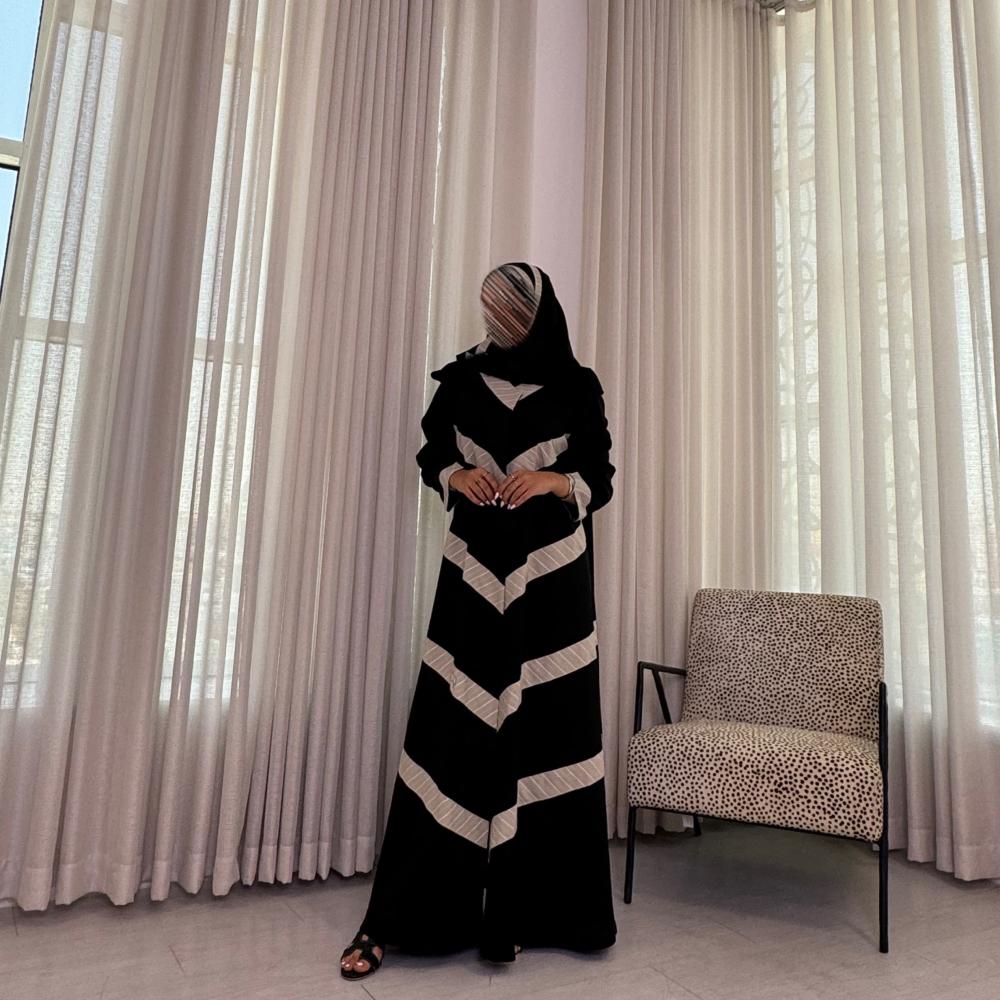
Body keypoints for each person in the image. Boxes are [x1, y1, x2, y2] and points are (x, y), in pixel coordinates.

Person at [340, 262, 617, 980]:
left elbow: (600, 476)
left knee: (544, 736)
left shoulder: (577, 386)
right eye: (492, 311)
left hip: (552, 586)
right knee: (451, 736)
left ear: (538, 314)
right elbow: (434, 451)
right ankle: (402, 918)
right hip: (472, 579)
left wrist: (553, 480)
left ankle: (526, 914)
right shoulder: (462, 380)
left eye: (512, 312)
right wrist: (455, 475)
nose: (500, 323)